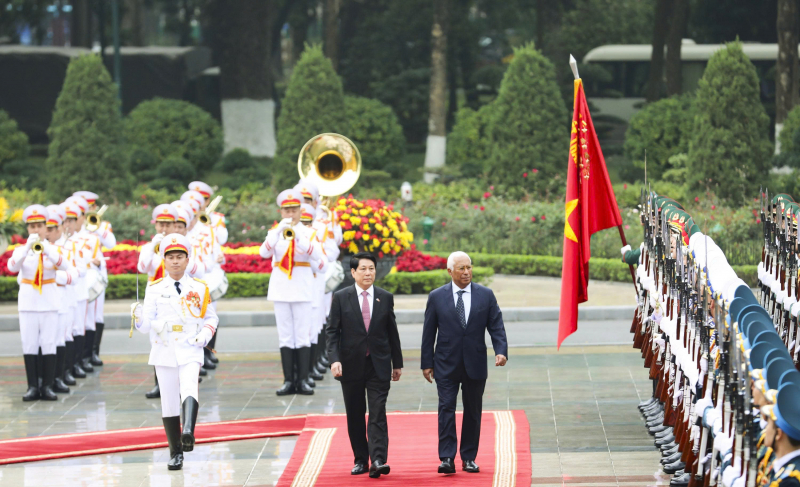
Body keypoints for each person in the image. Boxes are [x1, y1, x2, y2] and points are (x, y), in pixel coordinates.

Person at [132, 233, 218, 471]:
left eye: (180, 256)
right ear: (164, 261)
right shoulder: (154, 288)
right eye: (171, 257)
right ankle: (175, 452)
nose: (176, 261)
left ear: (187, 259)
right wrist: (138, 318)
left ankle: (188, 431)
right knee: (169, 401)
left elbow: (211, 317)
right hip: (165, 347)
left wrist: (205, 335)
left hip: (191, 345)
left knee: (190, 386)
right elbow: (146, 326)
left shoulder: (199, 287)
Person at [421, 251, 508, 474]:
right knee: (446, 409)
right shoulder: (436, 296)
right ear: (450, 271)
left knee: (472, 411)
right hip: (445, 364)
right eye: (461, 268)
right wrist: (426, 363)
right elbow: (428, 333)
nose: (466, 272)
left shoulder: (485, 295)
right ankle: (447, 458)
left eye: (469, 267)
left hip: (475, 363)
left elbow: (496, 325)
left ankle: (469, 457)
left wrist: (501, 351)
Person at [326, 252, 404, 478]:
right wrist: (334, 360)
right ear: (353, 272)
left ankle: (378, 459)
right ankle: (360, 459)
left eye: (371, 268)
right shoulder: (341, 297)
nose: (368, 273)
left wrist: (396, 363)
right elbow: (332, 332)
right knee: (355, 413)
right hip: (350, 365)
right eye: (363, 269)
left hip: (378, 364)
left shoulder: (385, 297)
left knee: (378, 412)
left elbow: (392, 332)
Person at [260, 189, 323, 396]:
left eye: (294, 210)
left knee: (302, 336)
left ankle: (303, 379)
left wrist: (298, 238)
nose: (290, 214)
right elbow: (264, 252)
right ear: (281, 211)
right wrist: (278, 232)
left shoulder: (309, 232)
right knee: (286, 336)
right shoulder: (276, 232)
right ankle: (288, 380)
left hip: (303, 288)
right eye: (286, 210)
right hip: (281, 289)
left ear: (300, 210)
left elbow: (319, 258)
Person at [7, 205, 71, 401]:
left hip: (49, 301)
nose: (36, 230)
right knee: (29, 344)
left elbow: (65, 265)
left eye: (39, 226)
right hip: (28, 303)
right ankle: (32, 386)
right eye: (32, 226)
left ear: (46, 227)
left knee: (49, 343)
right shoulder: (21, 250)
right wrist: (28, 247)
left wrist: (47, 250)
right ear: (27, 229)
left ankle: (47, 386)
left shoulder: (54, 249)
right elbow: (12, 267)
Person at [73, 190, 117, 367]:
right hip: (80, 273)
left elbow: (111, 244)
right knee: (82, 316)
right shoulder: (74, 228)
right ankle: (81, 356)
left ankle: (93, 352)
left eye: (91, 207)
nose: (89, 210)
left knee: (96, 315)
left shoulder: (101, 225)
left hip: (96, 273)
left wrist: (97, 227)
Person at [45, 204, 78, 394]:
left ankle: (58, 377)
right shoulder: (35, 248)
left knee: (59, 339)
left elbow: (74, 276)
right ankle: (44, 380)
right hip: (42, 300)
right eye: (45, 229)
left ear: (59, 229)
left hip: (61, 299)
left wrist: (52, 278)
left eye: (51, 229)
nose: (47, 233)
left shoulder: (66, 249)